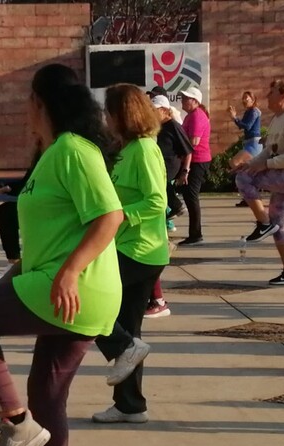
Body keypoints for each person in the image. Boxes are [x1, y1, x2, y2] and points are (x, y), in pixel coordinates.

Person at [0, 64, 124, 446]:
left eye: (27, 100)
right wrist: (17, 274)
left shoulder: (73, 150)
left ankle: (15, 424)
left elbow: (109, 217)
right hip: (67, 289)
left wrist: (69, 272)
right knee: (47, 398)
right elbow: (52, 232)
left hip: (74, 286)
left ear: (38, 102)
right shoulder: (51, 153)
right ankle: (29, 428)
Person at [92, 84, 169, 423]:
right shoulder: (123, 148)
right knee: (128, 327)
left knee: (88, 297)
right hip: (125, 246)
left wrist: (120, 214)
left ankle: (124, 354)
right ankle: (130, 405)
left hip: (140, 250)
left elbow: (157, 201)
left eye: (108, 112)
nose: (105, 119)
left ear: (123, 114)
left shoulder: (144, 150)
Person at [235, 80, 284, 285]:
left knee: (243, 179)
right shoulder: (278, 118)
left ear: (283, 96)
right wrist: (251, 164)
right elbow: (269, 149)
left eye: (272, 92)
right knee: (279, 226)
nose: (267, 96)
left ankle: (263, 223)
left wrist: (266, 164)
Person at [143, 95, 193, 319]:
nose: (153, 113)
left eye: (156, 109)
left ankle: (157, 298)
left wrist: (184, 171)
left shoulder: (172, 126)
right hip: (158, 178)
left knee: (157, 226)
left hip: (167, 176)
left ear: (165, 110)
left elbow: (187, 150)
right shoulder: (153, 131)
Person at [0, 146, 42, 284]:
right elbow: (27, 182)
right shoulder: (42, 152)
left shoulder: (60, 149)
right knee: (6, 212)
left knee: (7, 213)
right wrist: (4, 189)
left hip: (54, 205)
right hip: (38, 203)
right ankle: (14, 263)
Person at [177, 86, 212, 246]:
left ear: (195, 101)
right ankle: (194, 233)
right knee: (188, 194)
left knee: (191, 195)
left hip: (198, 160)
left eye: (186, 98)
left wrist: (186, 166)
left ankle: (196, 234)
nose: (183, 100)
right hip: (193, 159)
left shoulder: (197, 116)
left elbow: (193, 142)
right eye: (183, 97)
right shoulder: (190, 116)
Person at [227, 91, 263, 208]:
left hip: (254, 144)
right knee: (246, 169)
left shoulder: (254, 111)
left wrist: (234, 117)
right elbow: (242, 125)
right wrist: (235, 118)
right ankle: (249, 193)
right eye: (243, 98)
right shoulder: (249, 111)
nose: (244, 100)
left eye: (247, 98)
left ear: (253, 100)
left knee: (234, 162)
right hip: (249, 143)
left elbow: (247, 126)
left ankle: (249, 190)